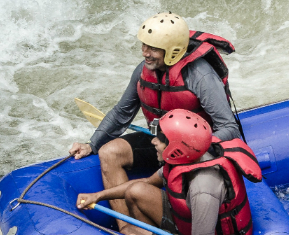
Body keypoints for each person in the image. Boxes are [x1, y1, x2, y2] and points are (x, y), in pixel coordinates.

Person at [69, 13, 242, 214]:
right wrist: (92, 145)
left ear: (172, 49)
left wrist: (193, 149)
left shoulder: (200, 75)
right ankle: (127, 229)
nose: (145, 53)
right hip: (160, 143)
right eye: (144, 45)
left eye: (152, 48)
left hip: (194, 152)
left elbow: (229, 127)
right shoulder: (143, 70)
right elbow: (121, 112)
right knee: (109, 152)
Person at [76, 109, 261, 235]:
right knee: (136, 191)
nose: (153, 142)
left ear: (177, 148)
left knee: (131, 232)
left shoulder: (203, 188)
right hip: (187, 223)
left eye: (161, 139)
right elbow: (145, 184)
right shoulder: (185, 158)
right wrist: (98, 196)